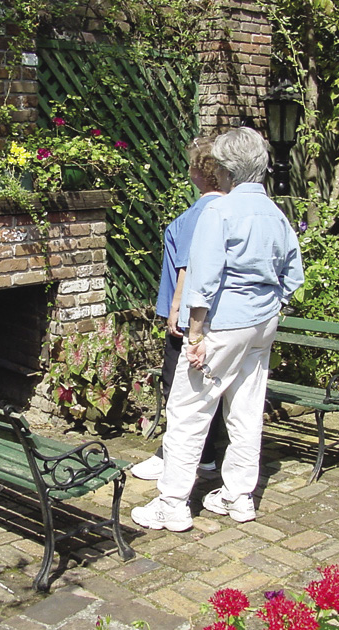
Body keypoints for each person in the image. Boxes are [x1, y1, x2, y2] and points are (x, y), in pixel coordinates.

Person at [130, 127, 305, 531]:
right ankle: (238, 496)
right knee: (245, 409)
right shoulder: (277, 214)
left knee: (188, 410)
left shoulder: (218, 212)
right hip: (262, 324)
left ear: (225, 169)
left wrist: (195, 335)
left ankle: (172, 503)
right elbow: (293, 276)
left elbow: (203, 281)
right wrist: (270, 304)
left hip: (223, 325)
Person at [131, 137, 225, 481]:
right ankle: (207, 457)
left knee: (178, 388)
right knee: (207, 386)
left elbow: (187, 266)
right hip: (218, 316)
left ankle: (175, 455)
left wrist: (175, 311)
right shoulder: (229, 211)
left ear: (200, 172)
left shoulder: (196, 215)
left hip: (188, 317)